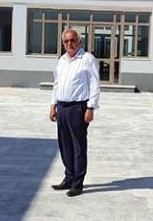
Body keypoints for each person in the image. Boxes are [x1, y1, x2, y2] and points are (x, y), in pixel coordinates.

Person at [48, 29, 101, 197]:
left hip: (78, 109)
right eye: (66, 41)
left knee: (78, 147)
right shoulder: (62, 60)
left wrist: (90, 108)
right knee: (65, 145)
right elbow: (56, 84)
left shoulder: (87, 59)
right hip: (62, 108)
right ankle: (69, 177)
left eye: (72, 40)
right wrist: (53, 105)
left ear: (79, 41)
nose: (69, 44)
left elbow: (95, 85)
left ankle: (78, 183)